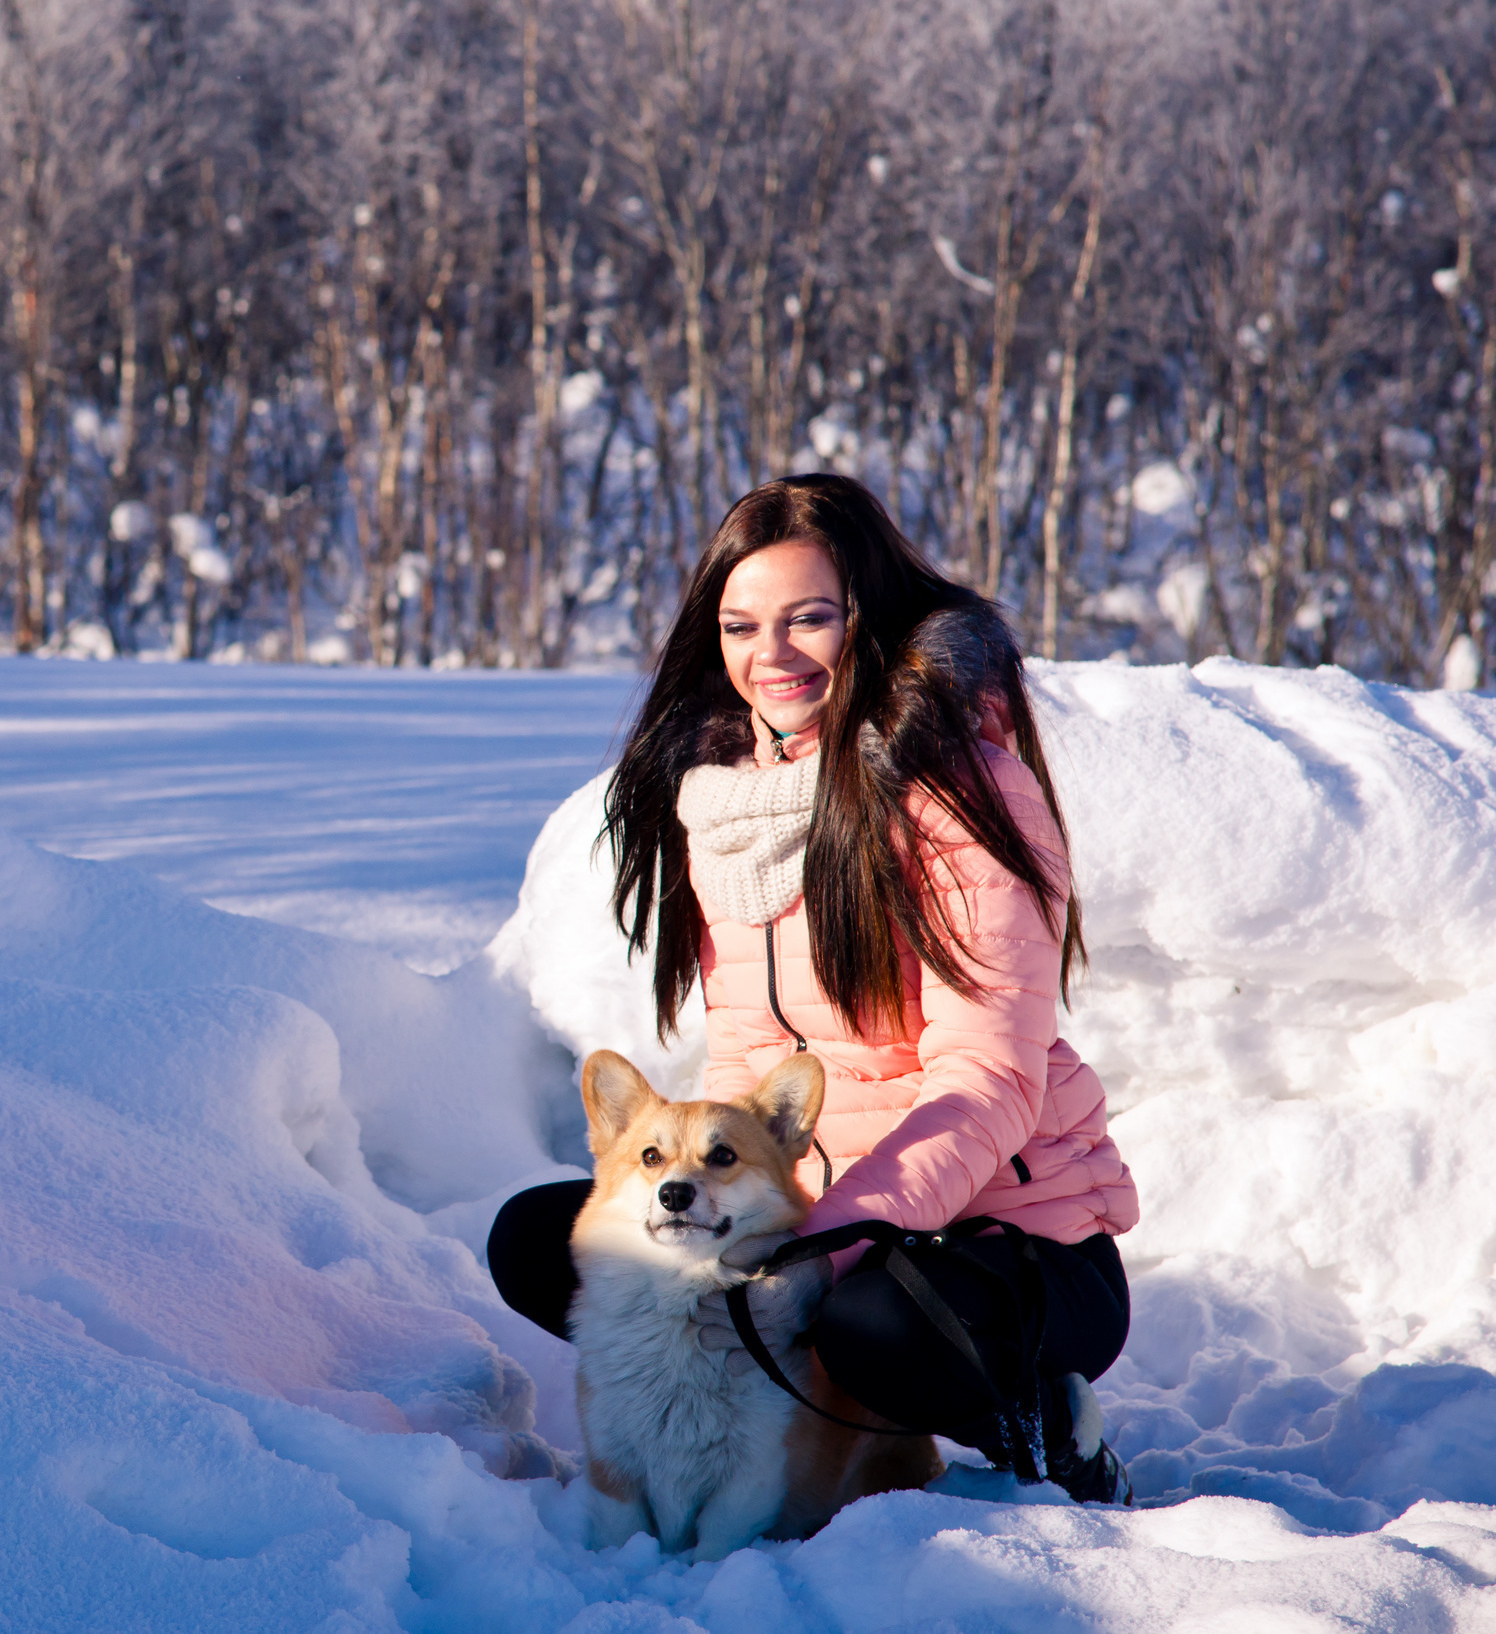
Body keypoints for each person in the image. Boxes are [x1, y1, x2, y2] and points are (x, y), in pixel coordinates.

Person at [487, 472, 1140, 1504]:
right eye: (741, 625)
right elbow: (753, 1060)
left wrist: (823, 1251)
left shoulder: (956, 790)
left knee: (866, 1322)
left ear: (868, 620)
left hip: (1003, 1242)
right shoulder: (730, 806)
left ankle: (1046, 1430)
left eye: (809, 619)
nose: (771, 654)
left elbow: (988, 1079)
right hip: (822, 1222)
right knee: (544, 1241)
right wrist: (738, 1208)